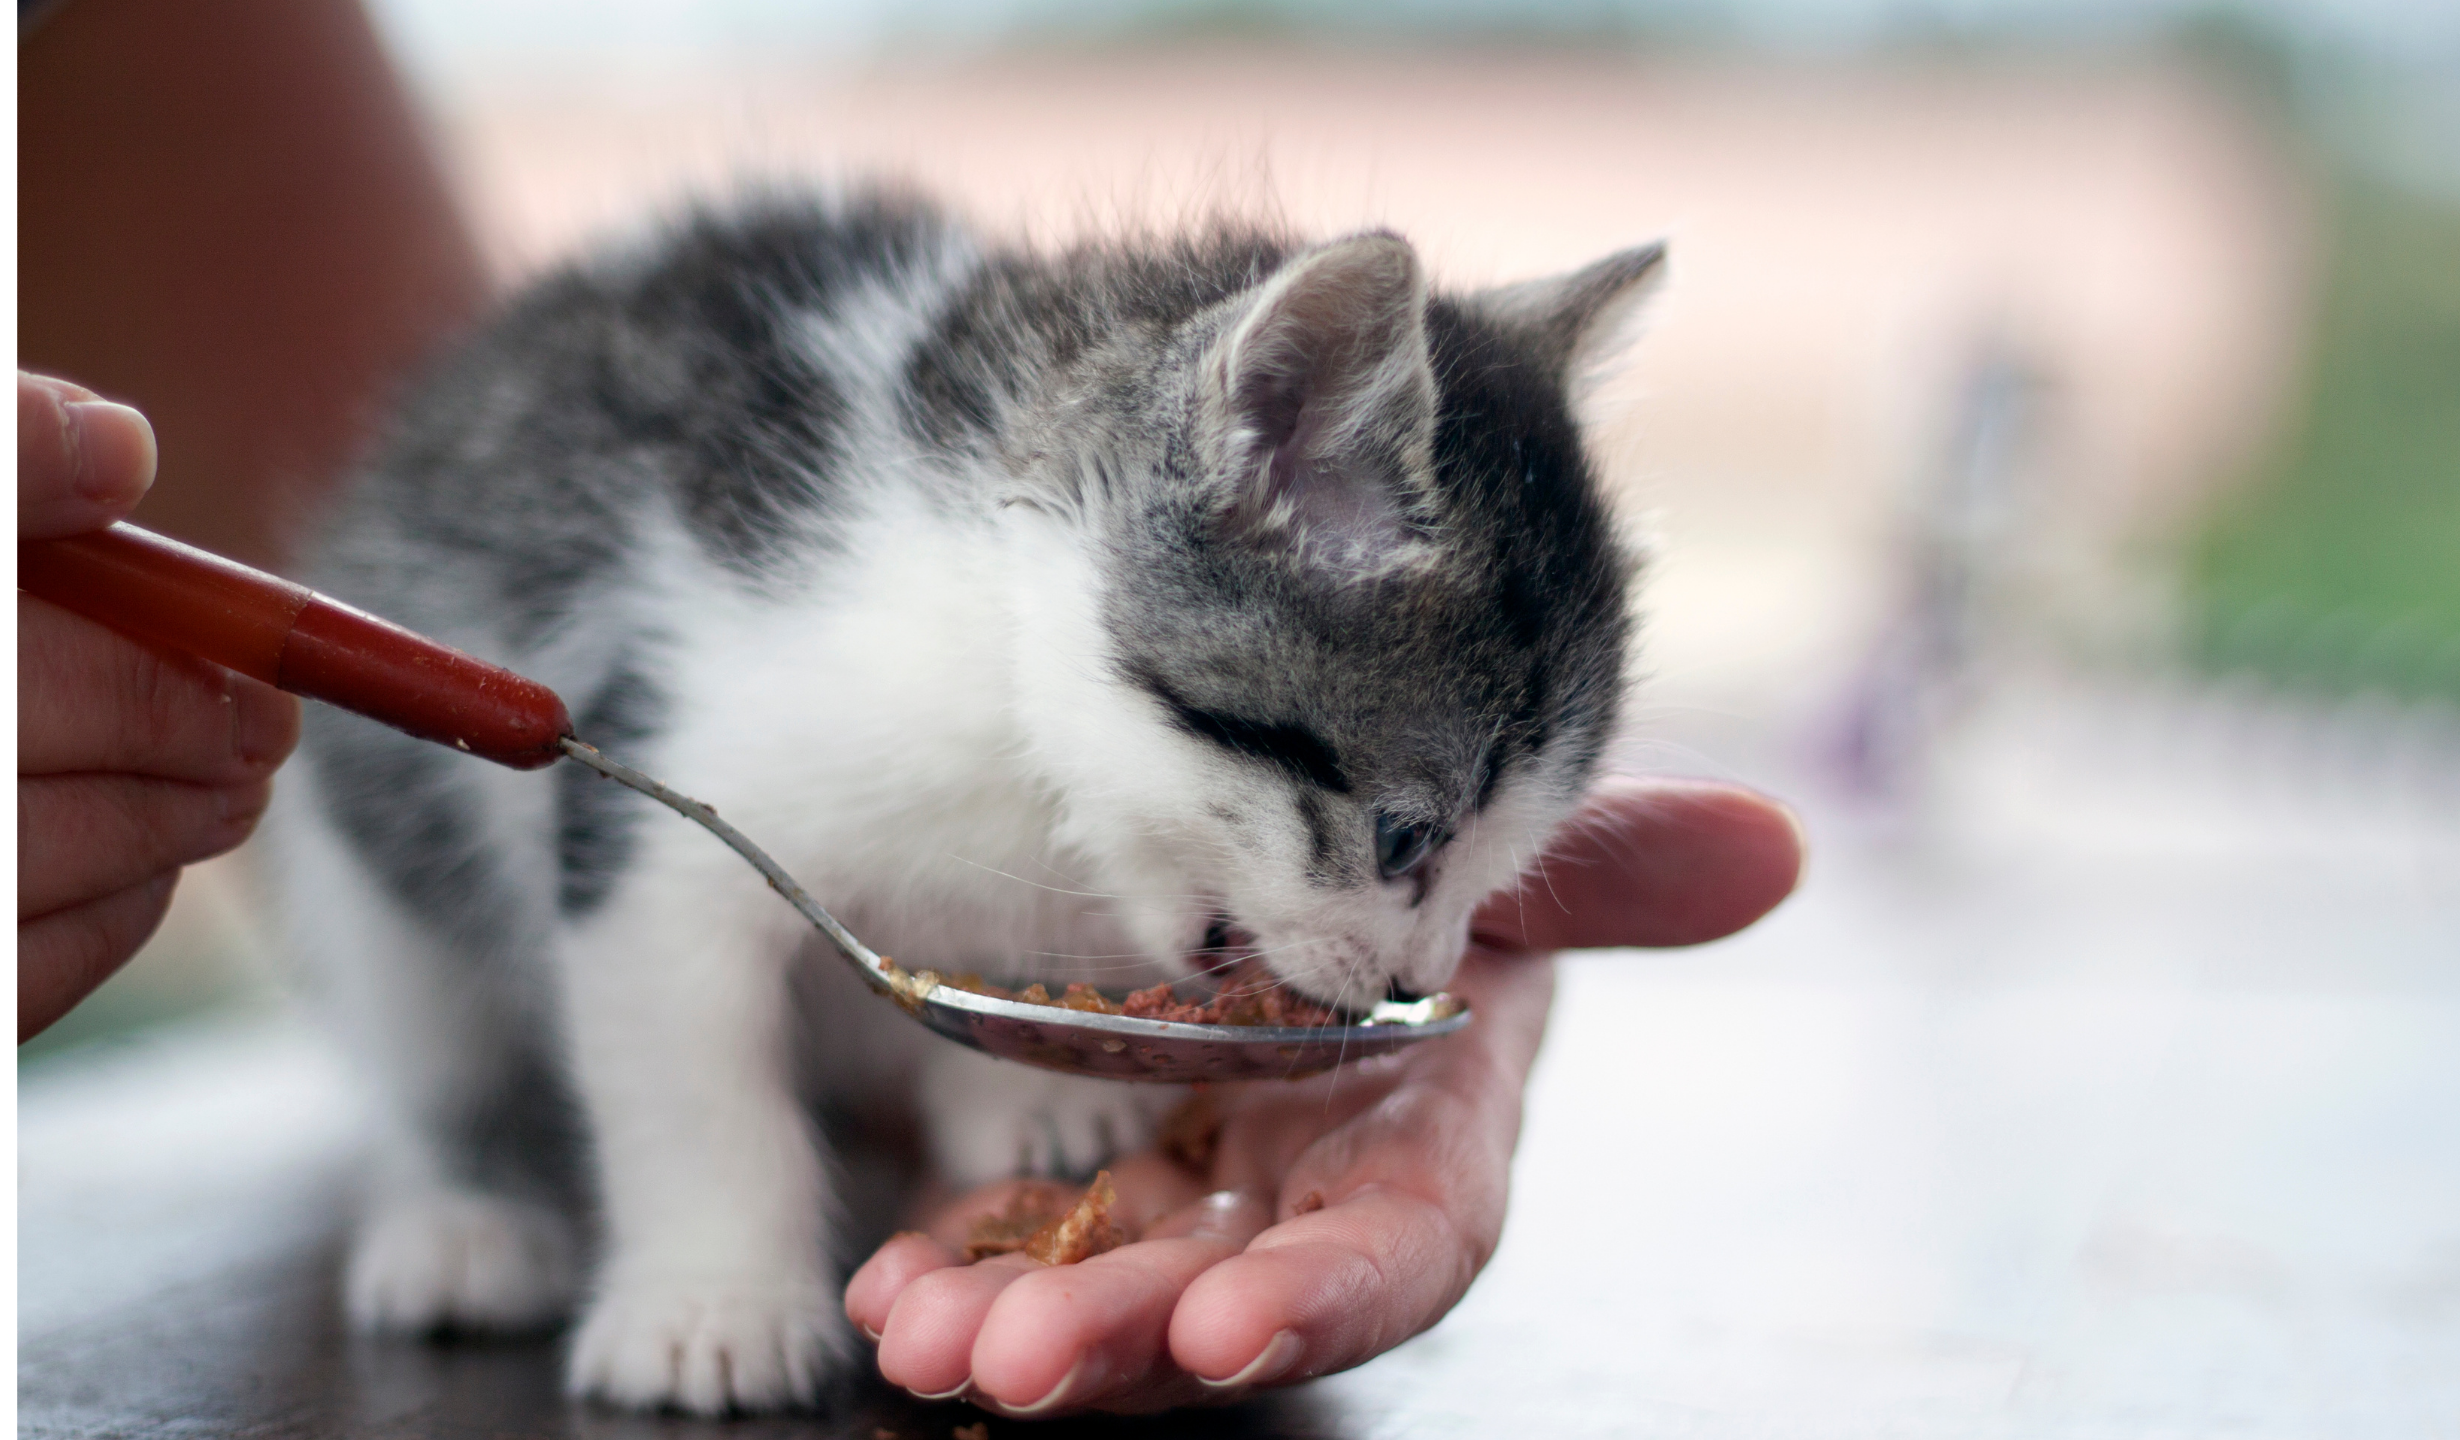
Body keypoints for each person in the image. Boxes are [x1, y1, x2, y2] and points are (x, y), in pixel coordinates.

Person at [16, 0, 1804, 1414]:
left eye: (1474, 884)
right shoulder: (870, 615)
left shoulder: (1127, 700)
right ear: (1252, 462)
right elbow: (641, 853)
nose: (1419, 968)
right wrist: (717, 1254)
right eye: (1410, 847)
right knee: (548, 927)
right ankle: (461, 1155)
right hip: (451, 936)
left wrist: (1012, 1070)